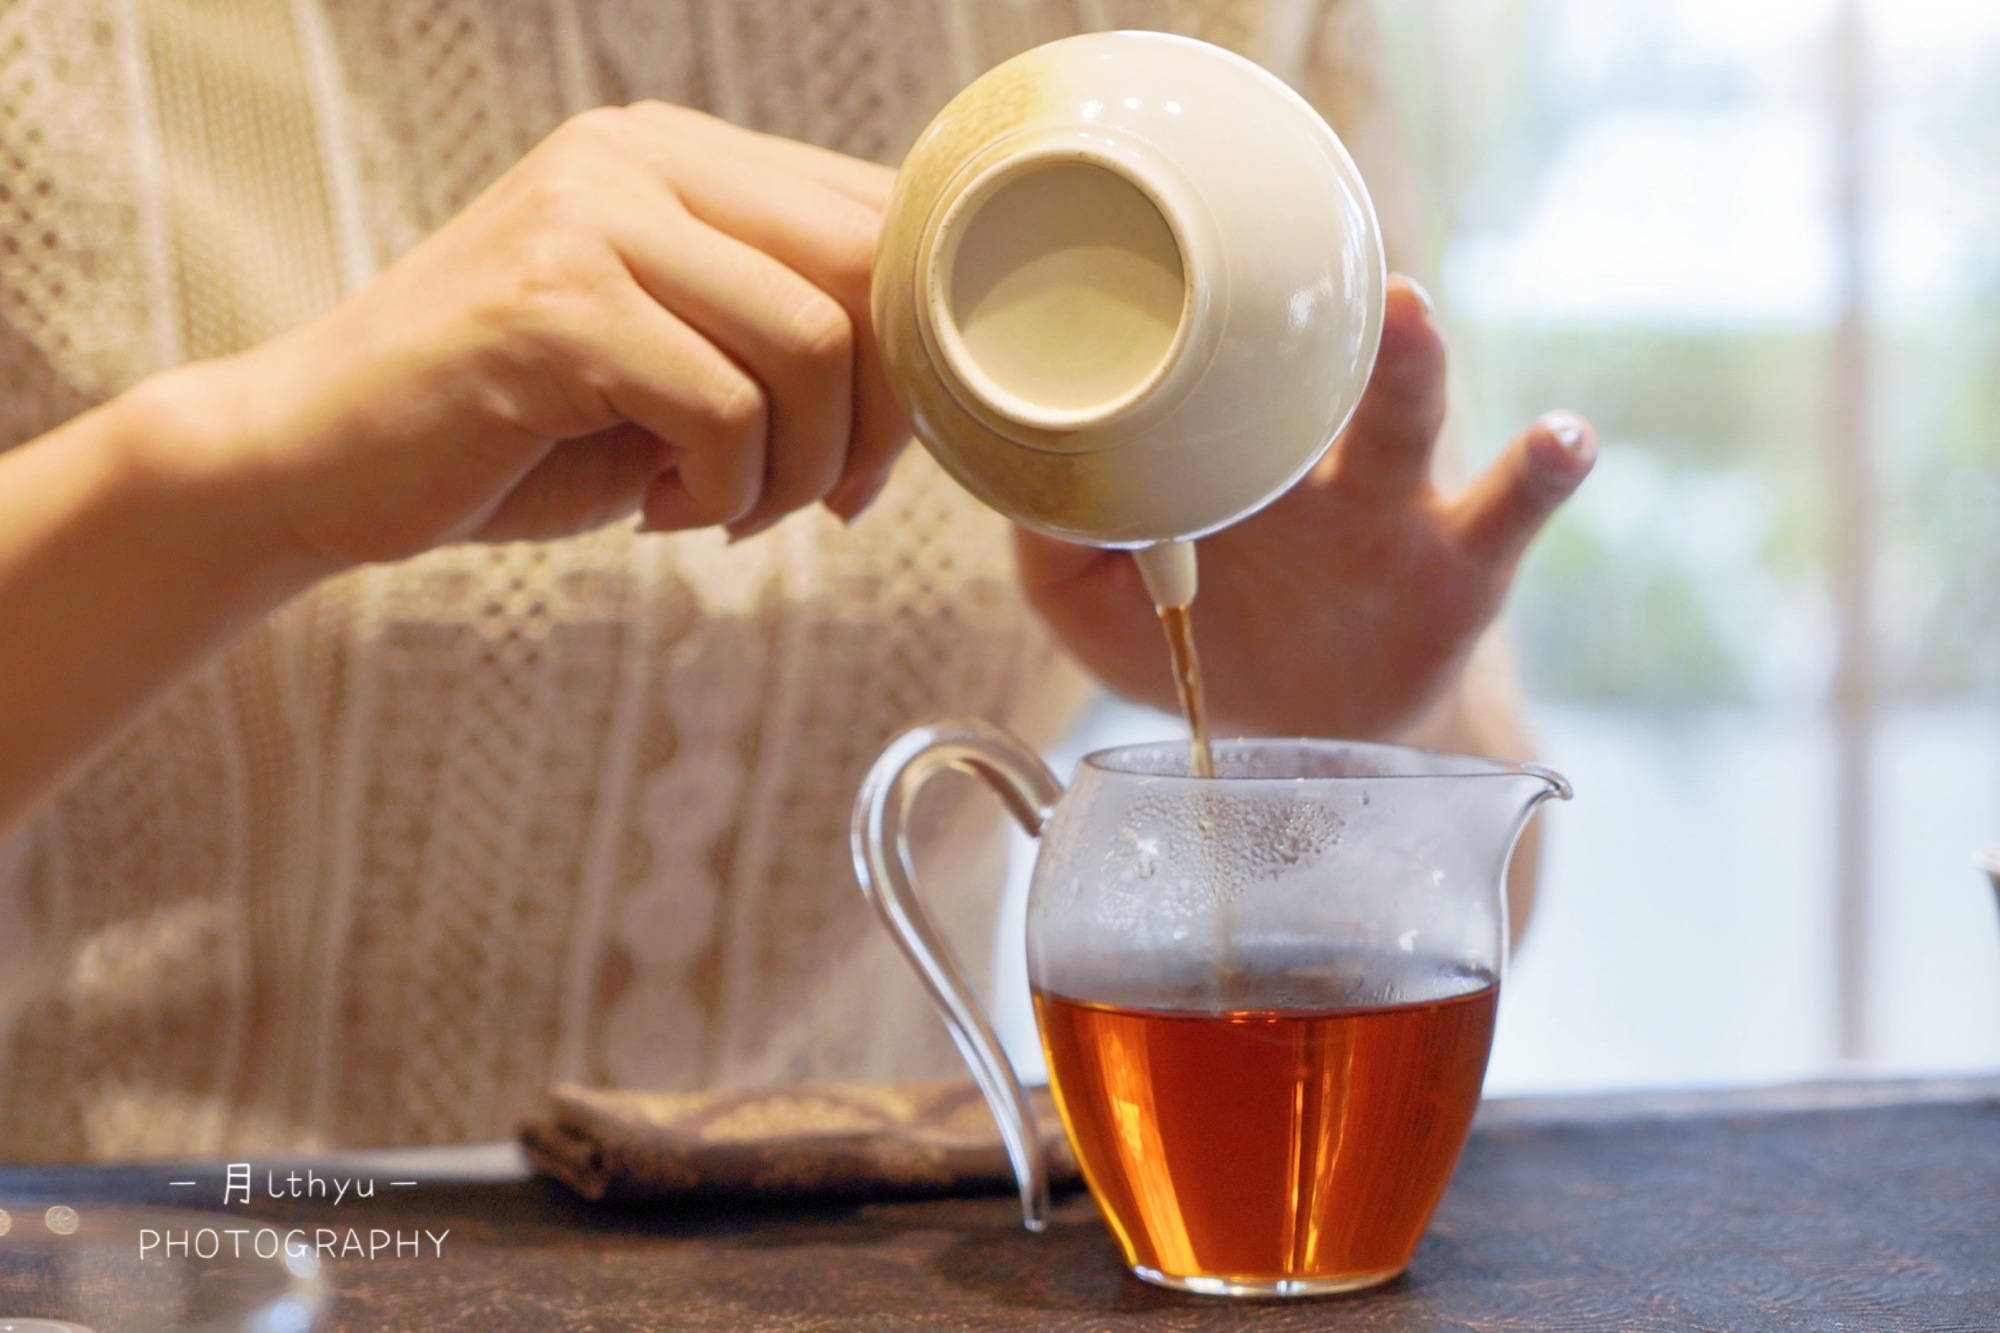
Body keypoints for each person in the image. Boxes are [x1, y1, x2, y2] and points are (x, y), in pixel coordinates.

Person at [0, 0, 1594, 1161]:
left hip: (890, 1258)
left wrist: (1335, 734)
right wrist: (229, 474)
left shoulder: (1198, 51)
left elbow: (1478, 901)